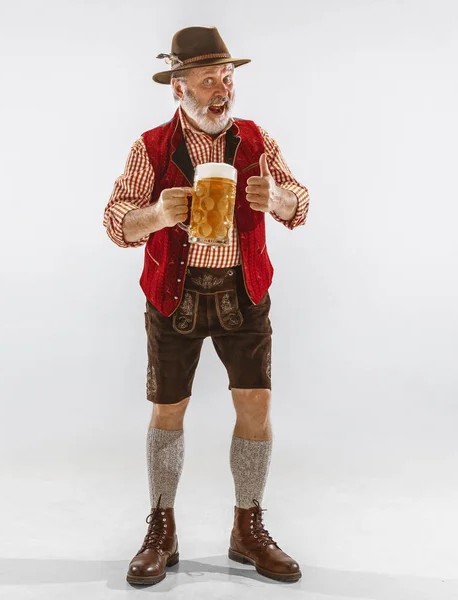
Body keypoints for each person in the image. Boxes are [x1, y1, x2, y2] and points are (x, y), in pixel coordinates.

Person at [103, 26, 310, 586]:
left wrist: (280, 199)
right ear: (179, 87)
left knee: (255, 408)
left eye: (227, 77)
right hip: (175, 293)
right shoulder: (151, 146)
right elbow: (117, 220)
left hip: (244, 292)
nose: (222, 89)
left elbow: (299, 204)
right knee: (169, 411)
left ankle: (247, 527)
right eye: (207, 79)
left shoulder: (255, 139)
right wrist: (157, 216)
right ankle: (162, 527)